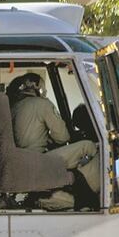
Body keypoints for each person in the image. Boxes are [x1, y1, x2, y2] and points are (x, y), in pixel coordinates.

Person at [10, 72, 100, 208]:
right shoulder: (41, 104)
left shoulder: (14, 106)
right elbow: (63, 137)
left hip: (23, 162)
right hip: (39, 161)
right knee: (88, 146)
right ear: (36, 86)